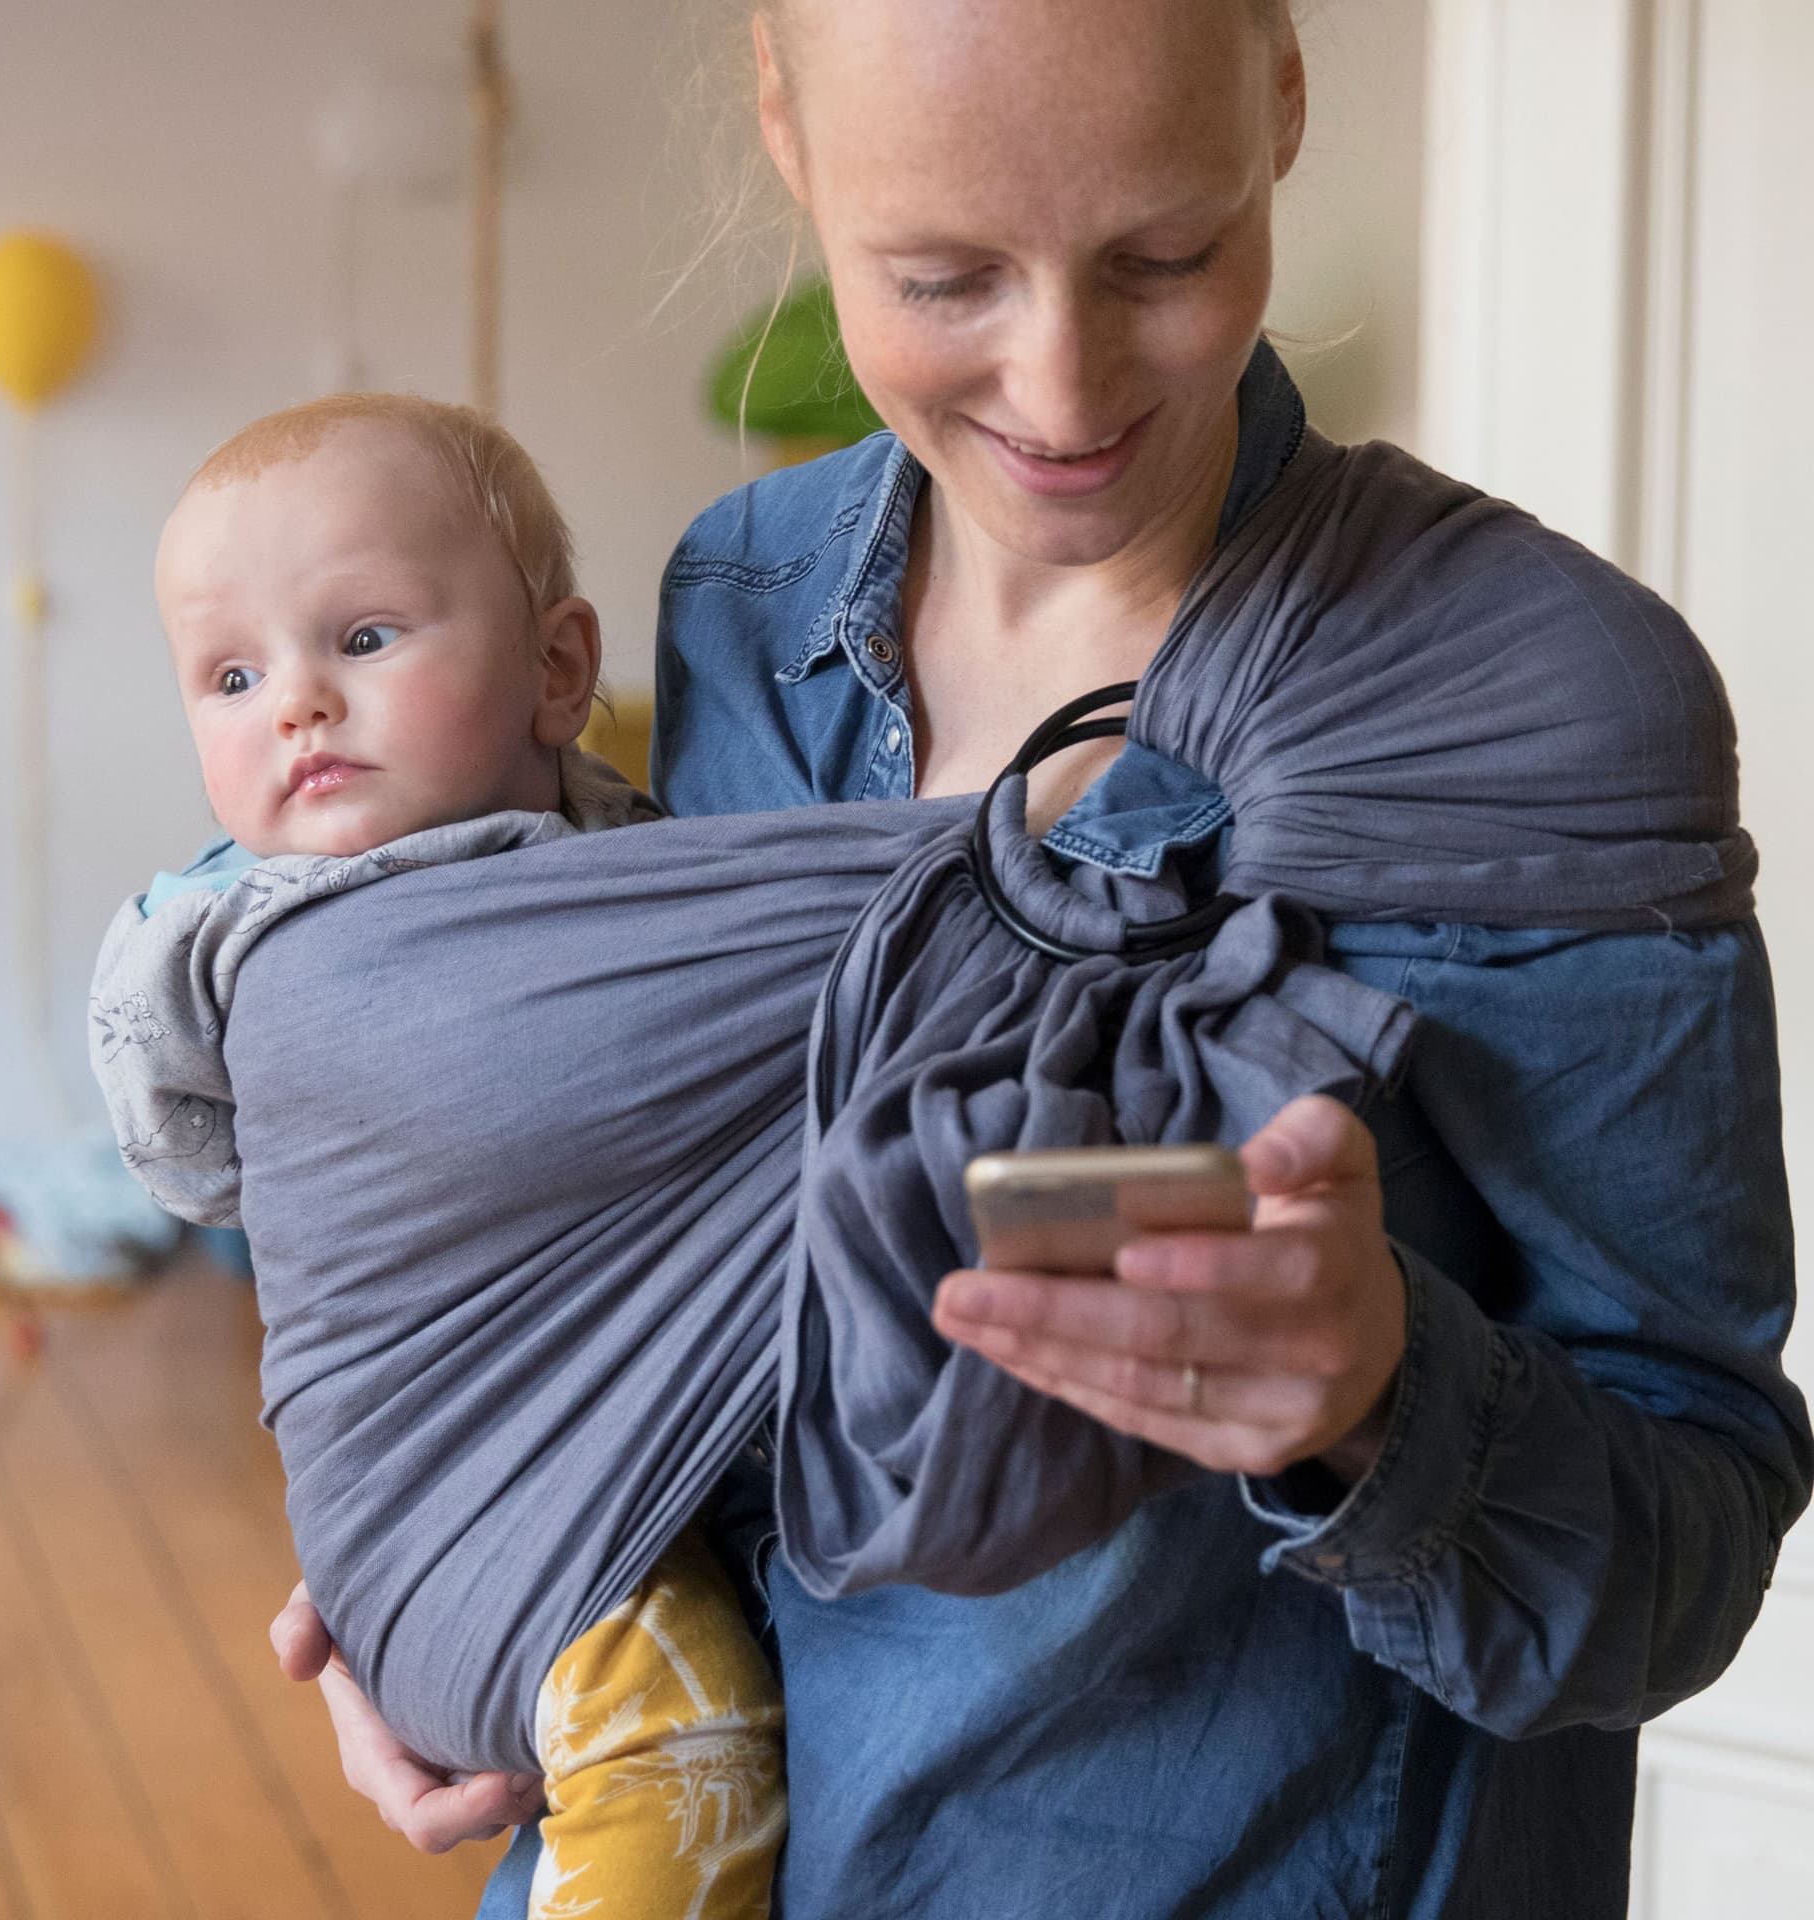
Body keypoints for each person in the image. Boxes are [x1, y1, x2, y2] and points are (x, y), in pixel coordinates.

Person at [273, 4, 1811, 1916]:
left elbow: (1698, 1530)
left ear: (1284, 100)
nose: (1064, 391)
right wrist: (450, 1568)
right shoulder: (740, 610)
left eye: (1164, 257)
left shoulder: (1532, 703)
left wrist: (1377, 1401)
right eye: (941, 278)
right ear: (788, 132)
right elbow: (651, 1268)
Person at [103, 392, 788, 1920]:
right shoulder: (234, 929)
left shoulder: (637, 858)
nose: (296, 705)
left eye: (362, 640)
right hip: (466, 1472)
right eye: (230, 675)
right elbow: (204, 1155)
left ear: (559, 667)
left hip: (652, 1427)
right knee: (685, 1727)